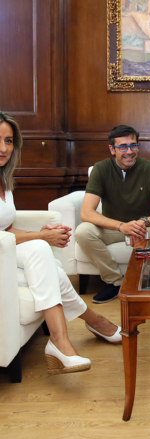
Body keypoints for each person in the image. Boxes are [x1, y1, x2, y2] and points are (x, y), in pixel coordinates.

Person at [0, 111, 121, 375]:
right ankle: (75, 331)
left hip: (5, 251)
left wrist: (39, 232)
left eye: (8, 141)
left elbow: (5, 229)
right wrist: (40, 237)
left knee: (45, 263)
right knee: (40, 250)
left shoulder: (3, 180)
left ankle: (67, 336)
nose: (3, 148)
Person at [76, 125, 150, 304]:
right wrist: (121, 226)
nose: (129, 151)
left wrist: (143, 222)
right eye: (123, 147)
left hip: (143, 228)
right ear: (112, 149)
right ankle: (115, 283)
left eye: (133, 145)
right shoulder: (101, 169)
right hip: (114, 228)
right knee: (83, 231)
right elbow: (86, 212)